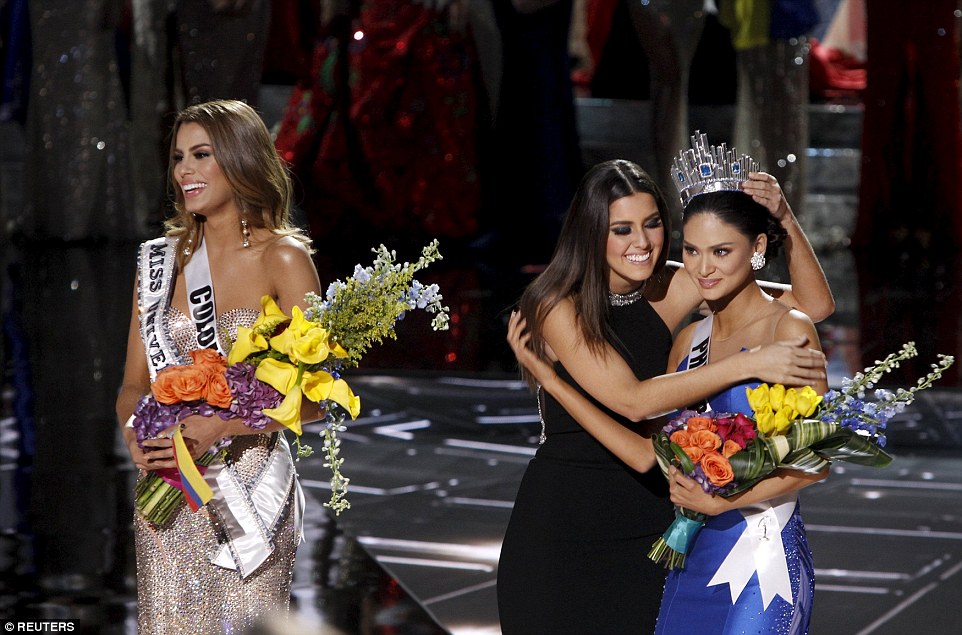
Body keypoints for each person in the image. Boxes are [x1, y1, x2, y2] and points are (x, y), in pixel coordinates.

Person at [496, 153, 834, 633]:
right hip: (565, 523)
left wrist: (783, 217)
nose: (641, 243)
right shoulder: (557, 305)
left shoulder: (674, 285)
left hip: (651, 519)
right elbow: (635, 400)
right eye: (621, 229)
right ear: (591, 231)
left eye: (652, 224)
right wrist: (750, 362)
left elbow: (813, 305)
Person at [115, 100, 322, 633]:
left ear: (239, 159)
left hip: (248, 498)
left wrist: (224, 424)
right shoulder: (158, 262)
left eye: (201, 154)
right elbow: (134, 382)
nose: (184, 169)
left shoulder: (285, 259)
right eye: (179, 156)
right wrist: (134, 431)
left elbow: (321, 395)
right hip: (169, 490)